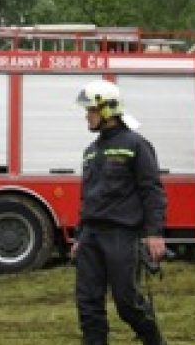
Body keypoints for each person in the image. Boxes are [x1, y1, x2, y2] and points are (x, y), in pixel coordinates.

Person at [72, 79, 167, 345]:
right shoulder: (90, 151)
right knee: (88, 305)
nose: (86, 117)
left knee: (127, 303)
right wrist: (80, 237)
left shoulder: (136, 144)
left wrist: (154, 234)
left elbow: (152, 191)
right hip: (91, 236)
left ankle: (154, 340)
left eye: (90, 111)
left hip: (122, 235)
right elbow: (87, 197)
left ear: (106, 110)